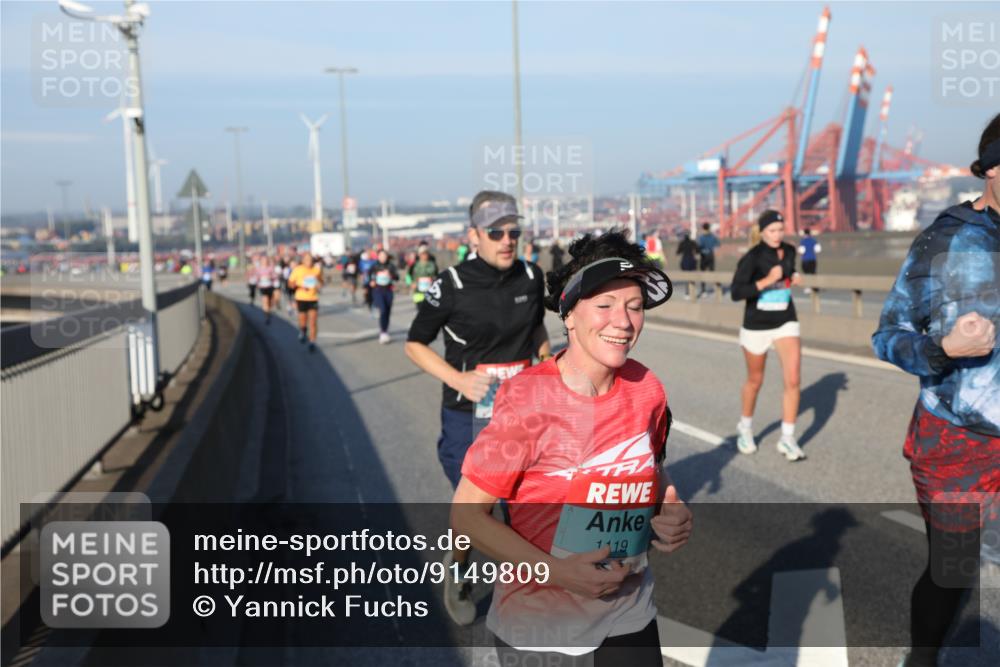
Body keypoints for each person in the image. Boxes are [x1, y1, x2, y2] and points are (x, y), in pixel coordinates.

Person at [452, 229, 691, 666]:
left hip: (629, 613)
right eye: (604, 305)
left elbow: (653, 469)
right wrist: (559, 572)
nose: (623, 321)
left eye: (635, 306)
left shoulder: (647, 389)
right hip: (540, 623)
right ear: (569, 315)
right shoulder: (527, 399)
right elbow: (466, 516)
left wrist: (669, 509)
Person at [873, 113, 1000, 667]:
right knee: (953, 571)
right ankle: (922, 658)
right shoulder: (948, 240)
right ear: (992, 168)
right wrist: (944, 347)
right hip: (958, 441)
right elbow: (888, 335)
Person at [405, 190, 550, 625]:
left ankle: (527, 588)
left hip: (521, 414)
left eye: (514, 232)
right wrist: (458, 379)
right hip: (468, 416)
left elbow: (536, 326)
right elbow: (415, 344)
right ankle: (458, 568)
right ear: (474, 235)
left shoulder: (531, 275)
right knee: (476, 509)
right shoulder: (451, 284)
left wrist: (546, 359)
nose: (507, 241)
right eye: (495, 233)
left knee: (524, 505)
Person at [730, 210, 806, 461]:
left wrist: (792, 276)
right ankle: (745, 427)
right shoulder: (752, 257)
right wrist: (766, 281)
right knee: (755, 380)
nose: (777, 235)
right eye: (772, 230)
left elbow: (788, 273)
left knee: (793, 380)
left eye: (780, 230)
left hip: (785, 320)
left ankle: (787, 438)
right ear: (762, 232)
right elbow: (736, 292)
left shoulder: (790, 251)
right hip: (756, 325)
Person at [288, 253, 323, 352]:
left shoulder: (316, 270)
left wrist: (319, 284)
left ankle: (312, 342)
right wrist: (299, 285)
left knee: (313, 321)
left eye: (310, 259)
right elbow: (290, 283)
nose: (309, 261)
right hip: (301, 298)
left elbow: (321, 282)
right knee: (302, 320)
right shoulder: (298, 269)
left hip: (313, 298)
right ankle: (303, 330)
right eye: (307, 259)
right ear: (303, 261)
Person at [369, 249, 399, 344]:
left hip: (388, 290)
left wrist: (390, 275)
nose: (383, 258)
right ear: (378, 257)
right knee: (383, 310)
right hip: (378, 290)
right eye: (381, 256)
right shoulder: (374, 266)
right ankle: (382, 332)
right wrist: (371, 282)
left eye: (384, 256)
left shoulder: (391, 266)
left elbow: (397, 277)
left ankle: (385, 331)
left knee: (387, 311)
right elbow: (369, 276)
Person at [697, 222, 720, 297]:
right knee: (712, 272)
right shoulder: (713, 236)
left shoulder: (701, 237)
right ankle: (716, 289)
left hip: (703, 256)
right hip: (711, 255)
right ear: (709, 228)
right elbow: (718, 244)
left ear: (703, 228)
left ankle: (703, 291)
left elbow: (699, 246)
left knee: (702, 274)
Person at [798, 228, 821, 295]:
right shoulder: (814, 241)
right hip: (813, 260)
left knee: (806, 273)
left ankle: (808, 288)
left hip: (805, 260)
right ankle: (815, 287)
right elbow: (818, 250)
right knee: (813, 273)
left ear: (804, 234)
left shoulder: (803, 242)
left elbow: (801, 251)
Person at [256, 256, 277, 324]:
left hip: (270, 286)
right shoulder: (258, 269)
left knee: (270, 301)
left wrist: (270, 277)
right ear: (261, 261)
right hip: (262, 287)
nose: (264, 261)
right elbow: (257, 277)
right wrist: (258, 283)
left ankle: (268, 311)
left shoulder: (270, 268)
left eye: (265, 260)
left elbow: (275, 276)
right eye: (263, 260)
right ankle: (266, 316)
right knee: (265, 300)